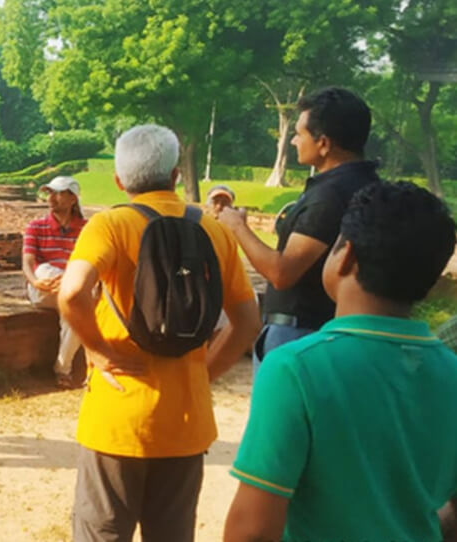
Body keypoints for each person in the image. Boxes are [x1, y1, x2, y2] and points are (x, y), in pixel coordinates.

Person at [58, 124, 261, 542]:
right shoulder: (215, 230)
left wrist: (96, 350)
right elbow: (248, 323)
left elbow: (73, 291)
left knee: (102, 531)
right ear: (174, 177)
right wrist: (203, 373)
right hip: (187, 421)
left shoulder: (110, 225)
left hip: (118, 415)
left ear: (118, 181)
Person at [224, 181, 457, 542]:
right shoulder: (451, 372)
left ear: (345, 255)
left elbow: (251, 530)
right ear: (429, 285)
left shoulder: (295, 368)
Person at [218, 87, 381, 372]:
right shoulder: (369, 187)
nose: (293, 141)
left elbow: (283, 273)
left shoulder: (330, 195)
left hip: (298, 334)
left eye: (299, 134)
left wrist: (237, 227)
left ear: (324, 143)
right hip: (334, 329)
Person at [23, 176, 87, 388]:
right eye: (50, 192)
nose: (52, 198)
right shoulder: (36, 226)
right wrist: (34, 282)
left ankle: (63, 368)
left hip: (71, 293)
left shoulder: (86, 230)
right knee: (44, 269)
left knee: (74, 313)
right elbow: (28, 263)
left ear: (72, 199)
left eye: (58, 193)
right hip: (43, 289)